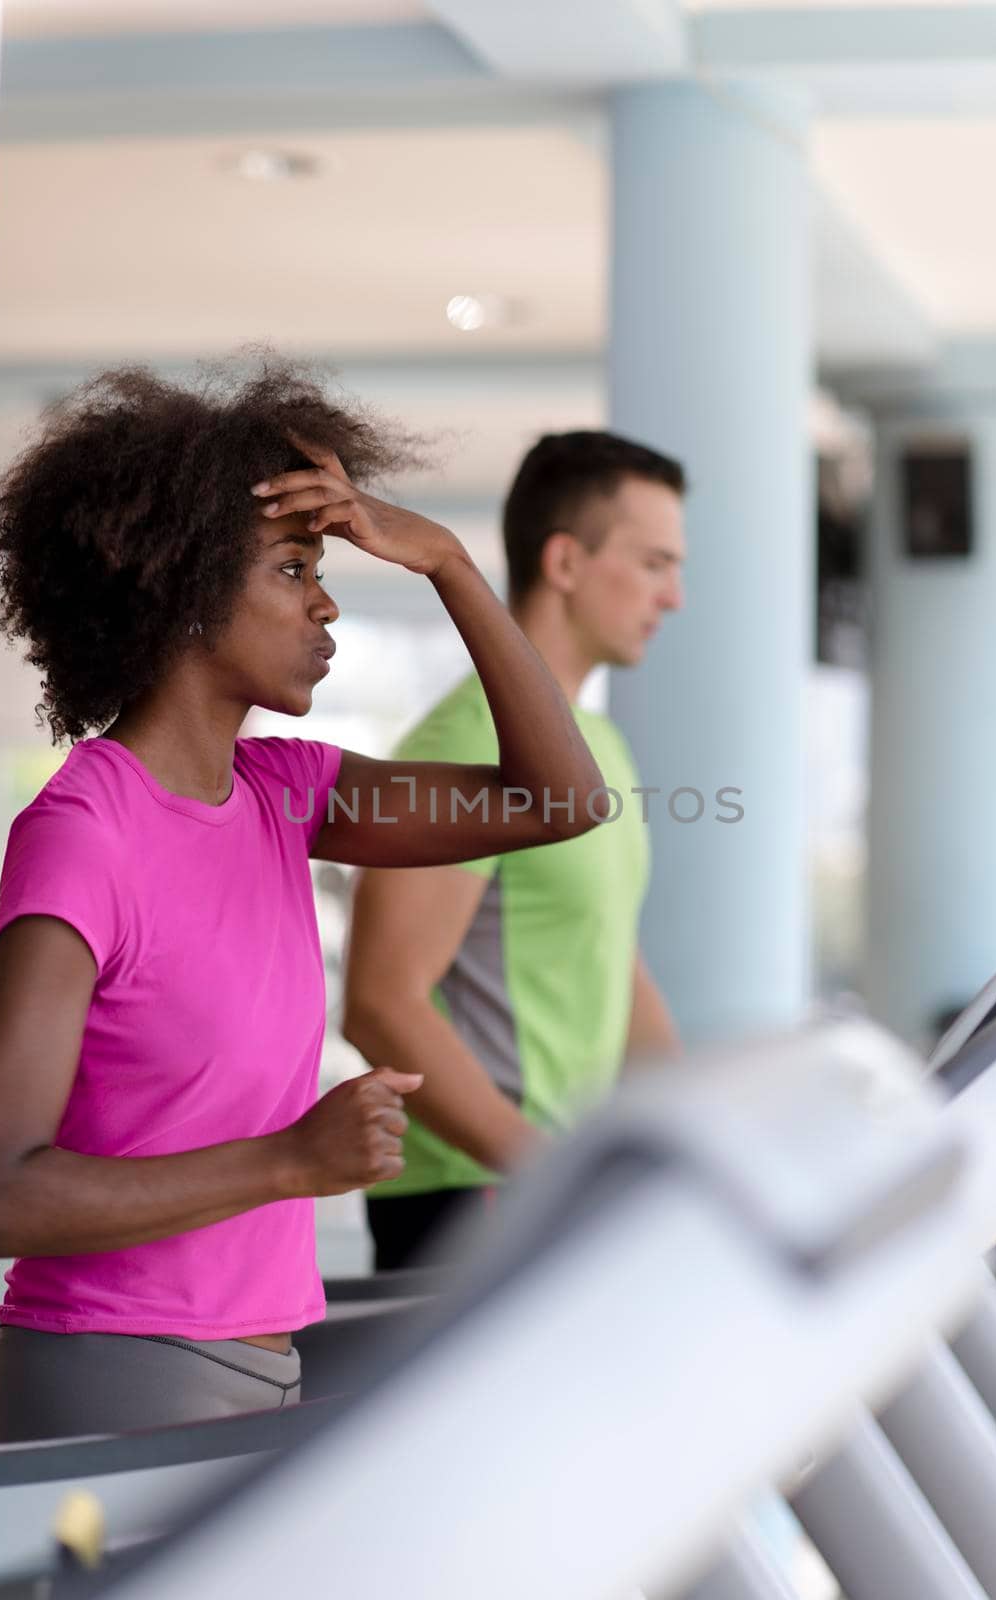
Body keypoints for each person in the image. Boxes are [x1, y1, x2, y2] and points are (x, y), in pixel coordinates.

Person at [0, 360, 607, 1444]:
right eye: (293, 566)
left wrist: (447, 562)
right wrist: (290, 1162)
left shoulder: (283, 794)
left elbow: (561, 800)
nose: (325, 602)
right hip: (112, 1375)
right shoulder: (87, 834)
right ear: (179, 579)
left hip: (259, 1365)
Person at [343, 430, 687, 1271]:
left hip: (553, 1193)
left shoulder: (599, 742)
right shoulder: (461, 739)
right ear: (565, 562)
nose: (672, 596)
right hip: (471, 1196)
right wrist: (551, 1172)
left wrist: (694, 1145)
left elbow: (613, 959)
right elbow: (382, 1004)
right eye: (652, 563)